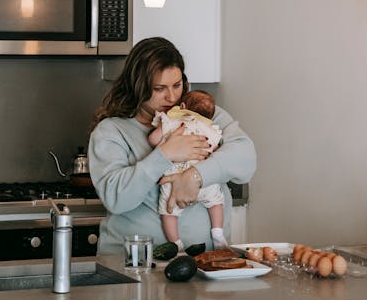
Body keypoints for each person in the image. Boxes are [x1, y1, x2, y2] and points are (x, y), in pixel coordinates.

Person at [88, 36, 257, 255]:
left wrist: (194, 176)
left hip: (207, 263)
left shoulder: (205, 116)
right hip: (134, 265)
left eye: (176, 85)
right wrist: (165, 153)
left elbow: (246, 160)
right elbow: (116, 199)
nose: (171, 96)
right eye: (159, 88)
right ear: (137, 86)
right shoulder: (111, 131)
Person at [148, 89, 228, 251]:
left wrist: (163, 130)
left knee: (168, 212)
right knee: (216, 203)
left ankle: (176, 243)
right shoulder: (211, 129)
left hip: (174, 179)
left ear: (182, 106)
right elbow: (218, 150)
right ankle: (218, 231)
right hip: (204, 181)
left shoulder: (173, 122)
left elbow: (153, 140)